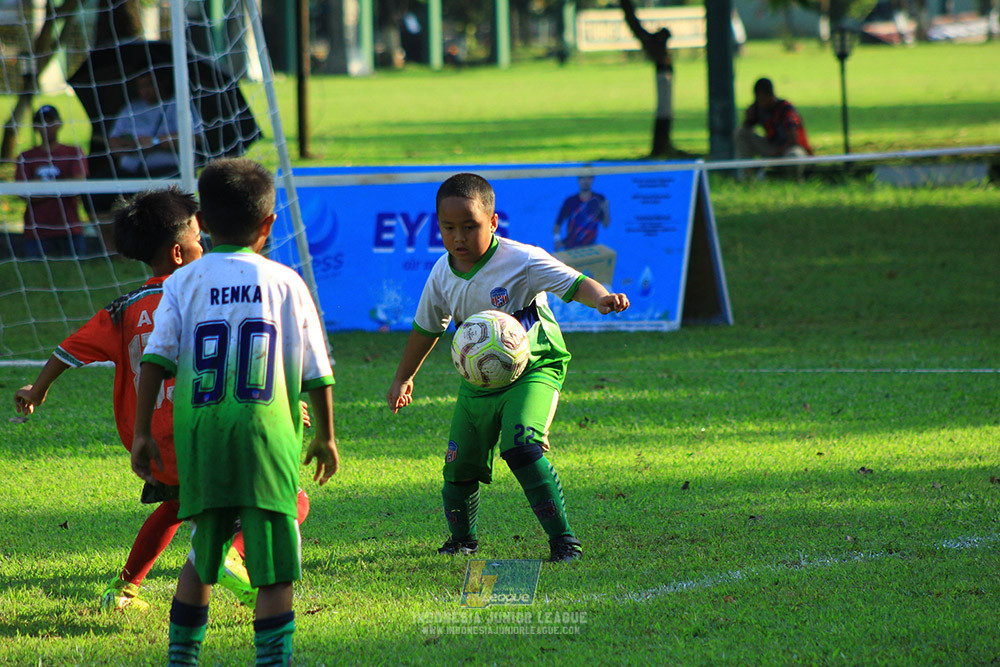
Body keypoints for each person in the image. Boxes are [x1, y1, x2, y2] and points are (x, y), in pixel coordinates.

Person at [131, 158, 338, 666]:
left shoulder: (182, 283)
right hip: (267, 439)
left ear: (202, 222)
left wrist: (141, 434)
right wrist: (326, 436)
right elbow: (316, 371)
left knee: (204, 552)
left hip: (201, 437)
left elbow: (155, 363)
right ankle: (273, 660)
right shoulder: (286, 282)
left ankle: (182, 658)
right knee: (275, 569)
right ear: (268, 226)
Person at [386, 173, 630, 563]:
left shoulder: (522, 260)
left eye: (470, 227)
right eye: (449, 228)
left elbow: (576, 281)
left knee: (521, 446)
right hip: (479, 380)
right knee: (458, 466)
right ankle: (462, 541)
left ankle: (564, 542)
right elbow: (426, 328)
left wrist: (602, 298)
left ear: (494, 222)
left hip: (535, 366)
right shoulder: (442, 274)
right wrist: (403, 377)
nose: (459, 237)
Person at [14, 104, 89, 258]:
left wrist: (40, 188)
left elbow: (78, 185)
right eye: (41, 122)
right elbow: (23, 192)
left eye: (50, 121)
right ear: (35, 126)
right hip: (37, 232)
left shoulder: (74, 152)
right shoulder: (26, 156)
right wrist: (61, 188)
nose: (46, 126)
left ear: (59, 123)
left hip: (70, 229)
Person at [107, 71, 204, 180]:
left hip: (168, 173)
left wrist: (155, 142)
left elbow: (195, 139)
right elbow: (113, 141)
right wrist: (130, 146)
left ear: (162, 82)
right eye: (141, 86)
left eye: (149, 84)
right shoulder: (130, 108)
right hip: (130, 173)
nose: (145, 91)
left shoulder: (178, 105)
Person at [735, 77, 813, 180]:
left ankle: (795, 180)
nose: (759, 102)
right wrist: (749, 119)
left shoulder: (786, 110)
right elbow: (746, 130)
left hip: (790, 149)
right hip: (772, 147)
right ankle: (747, 177)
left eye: (762, 98)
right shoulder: (759, 109)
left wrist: (777, 153)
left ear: (770, 95)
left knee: (794, 155)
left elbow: (793, 140)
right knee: (741, 133)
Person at [553, 172, 610, 251]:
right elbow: (558, 224)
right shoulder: (570, 201)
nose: (586, 181)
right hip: (571, 248)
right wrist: (557, 240)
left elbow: (605, 225)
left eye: (589, 178)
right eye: (583, 178)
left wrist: (606, 210)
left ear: (592, 180)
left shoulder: (599, 198)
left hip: (591, 248)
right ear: (579, 180)